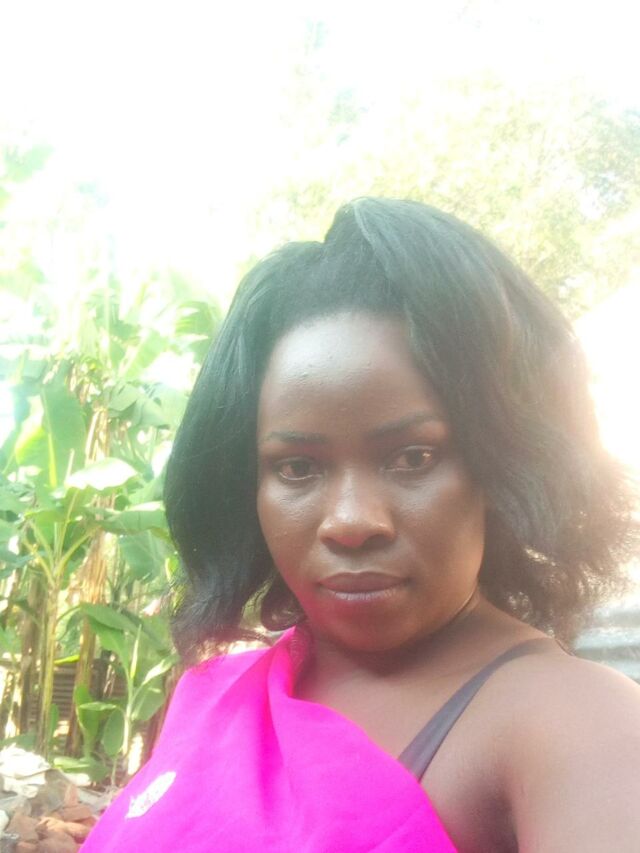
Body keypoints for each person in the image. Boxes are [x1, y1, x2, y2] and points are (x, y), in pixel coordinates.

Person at [84, 198, 640, 852]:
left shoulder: (574, 726)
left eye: (413, 457)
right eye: (297, 467)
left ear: (501, 467)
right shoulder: (217, 696)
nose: (351, 521)